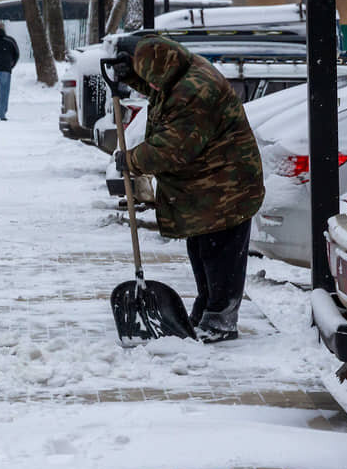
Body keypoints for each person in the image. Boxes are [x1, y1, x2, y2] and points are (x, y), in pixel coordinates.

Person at [112, 35, 265, 343]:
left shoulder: (196, 90)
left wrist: (131, 159)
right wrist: (132, 77)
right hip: (207, 186)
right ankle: (207, 309)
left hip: (227, 188)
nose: (152, 88)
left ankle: (220, 320)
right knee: (201, 249)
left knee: (219, 254)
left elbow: (171, 150)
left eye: (151, 82)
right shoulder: (180, 69)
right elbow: (162, 90)